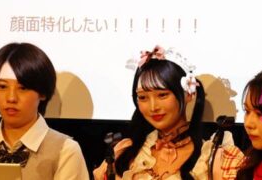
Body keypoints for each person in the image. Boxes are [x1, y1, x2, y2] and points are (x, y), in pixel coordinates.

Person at [94, 46, 243, 180]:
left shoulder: (214, 158)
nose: (153, 107)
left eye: (162, 95)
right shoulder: (124, 153)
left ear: (189, 94)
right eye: (143, 97)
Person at [0, 42, 89, 180]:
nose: (11, 98)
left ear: (42, 93)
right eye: (2, 87)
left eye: (23, 88)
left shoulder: (65, 151)